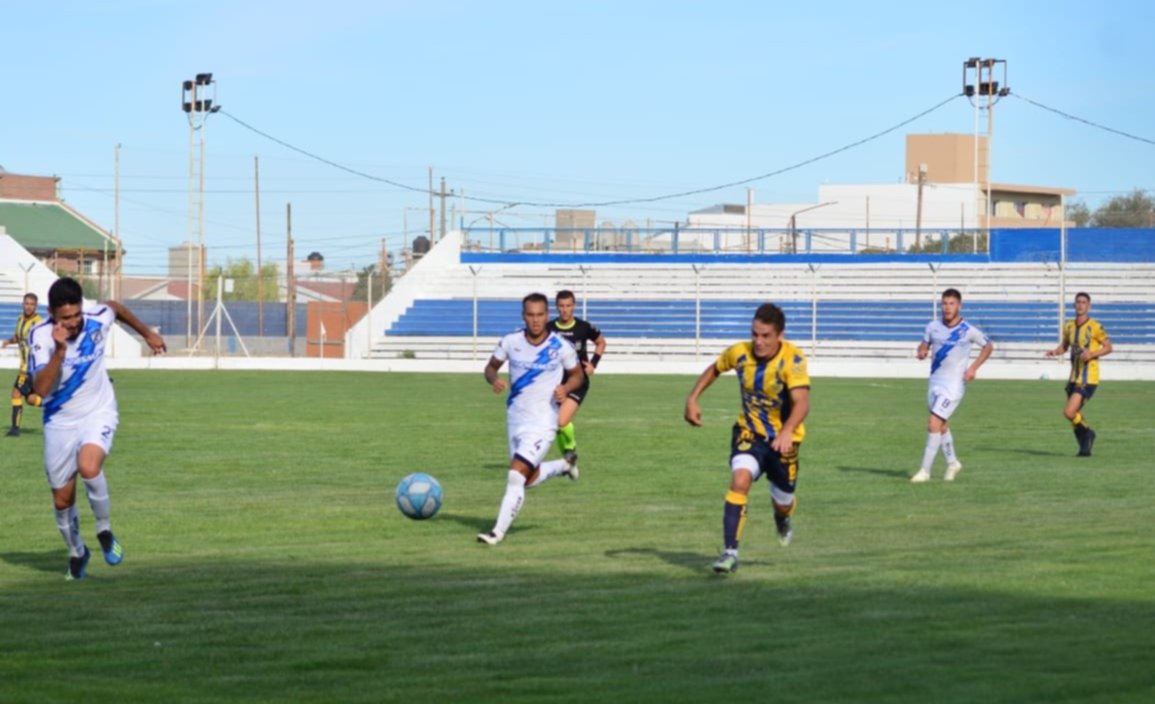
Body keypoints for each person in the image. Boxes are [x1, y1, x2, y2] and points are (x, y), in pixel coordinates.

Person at [28, 277, 167, 580]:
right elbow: (40, 388)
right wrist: (60, 353)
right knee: (62, 500)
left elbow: (115, 308)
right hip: (59, 423)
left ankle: (104, 531)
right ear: (52, 313)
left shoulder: (95, 319)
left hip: (98, 412)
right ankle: (77, 551)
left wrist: (146, 333)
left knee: (89, 467)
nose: (74, 322)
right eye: (66, 318)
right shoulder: (40, 337)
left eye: (77, 314)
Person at [684, 303, 810, 575]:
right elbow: (714, 369)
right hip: (748, 433)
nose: (758, 341)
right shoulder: (739, 353)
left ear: (780, 335)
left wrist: (788, 430)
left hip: (784, 442)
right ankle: (730, 553)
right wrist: (692, 398)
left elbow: (802, 402)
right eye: (754, 334)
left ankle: (783, 517)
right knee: (739, 480)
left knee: (783, 500)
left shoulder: (793, 360)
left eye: (765, 336)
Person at [477, 292, 585, 546]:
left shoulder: (560, 346)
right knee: (529, 478)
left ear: (547, 316)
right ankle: (563, 465)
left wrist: (566, 388)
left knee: (516, 476)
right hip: (515, 418)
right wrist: (494, 380)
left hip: (543, 421)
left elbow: (578, 376)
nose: (535, 320)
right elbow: (490, 367)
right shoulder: (511, 341)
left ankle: (496, 533)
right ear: (523, 316)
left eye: (540, 315)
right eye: (530, 315)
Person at [911, 288, 993, 483]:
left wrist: (973, 368)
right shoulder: (932, 326)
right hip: (935, 383)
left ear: (959, 305)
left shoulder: (968, 330)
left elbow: (988, 346)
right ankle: (953, 463)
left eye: (951, 304)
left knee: (933, 424)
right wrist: (922, 351)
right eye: (945, 303)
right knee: (941, 425)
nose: (947, 308)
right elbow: (924, 345)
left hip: (953, 386)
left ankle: (925, 471)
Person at [1045, 292, 1112, 457]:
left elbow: (1109, 347)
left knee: (1069, 412)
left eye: (1084, 302)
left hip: (1088, 378)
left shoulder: (1095, 326)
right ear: (1074, 305)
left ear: (1089, 306)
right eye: (1078, 302)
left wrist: (1092, 353)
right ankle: (1084, 446)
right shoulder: (1069, 326)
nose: (1080, 305)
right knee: (1073, 414)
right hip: (1073, 377)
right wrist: (1055, 352)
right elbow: (1065, 346)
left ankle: (1088, 434)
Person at [547, 289, 607, 471]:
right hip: (556, 383)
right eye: (561, 306)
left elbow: (601, 342)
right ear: (557, 307)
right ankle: (568, 460)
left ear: (574, 306)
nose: (565, 310)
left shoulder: (583, 327)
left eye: (568, 306)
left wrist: (593, 364)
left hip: (578, 382)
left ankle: (570, 449)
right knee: (555, 424)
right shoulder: (549, 328)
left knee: (560, 421)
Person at [2, 293, 43, 436]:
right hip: (24, 366)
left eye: (32, 304)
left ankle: (15, 430)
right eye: (27, 303)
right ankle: (54, 405)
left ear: (36, 306)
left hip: (30, 368)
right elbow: (18, 337)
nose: (29, 306)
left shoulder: (38, 323)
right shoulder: (20, 319)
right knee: (31, 399)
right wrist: (9, 341)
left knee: (16, 393)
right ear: (22, 304)